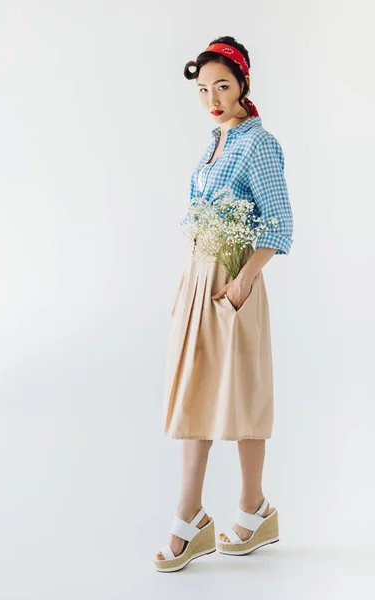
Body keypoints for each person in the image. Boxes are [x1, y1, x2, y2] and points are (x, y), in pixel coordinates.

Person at [152, 36, 294, 572]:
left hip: (234, 283)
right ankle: (229, 513)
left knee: (240, 395)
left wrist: (241, 284)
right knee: (198, 395)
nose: (213, 97)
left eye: (224, 86)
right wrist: (186, 284)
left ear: (243, 85)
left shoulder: (260, 144)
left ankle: (220, 514)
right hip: (198, 282)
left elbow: (279, 224)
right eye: (204, 88)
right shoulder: (215, 141)